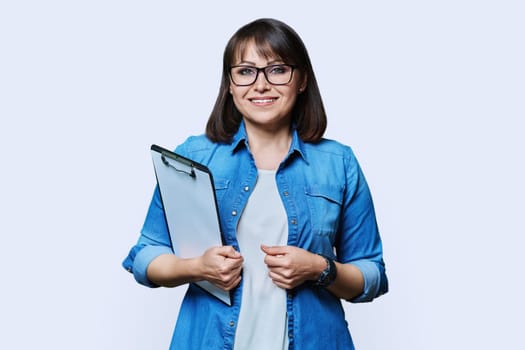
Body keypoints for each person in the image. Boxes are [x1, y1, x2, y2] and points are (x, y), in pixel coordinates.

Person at [123, 18, 388, 350]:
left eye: (277, 70)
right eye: (246, 71)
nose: (260, 85)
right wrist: (197, 267)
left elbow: (372, 275)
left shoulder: (339, 163)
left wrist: (320, 269)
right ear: (230, 84)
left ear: (302, 79)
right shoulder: (194, 155)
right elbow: (146, 256)